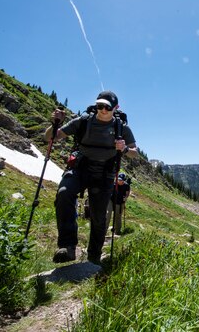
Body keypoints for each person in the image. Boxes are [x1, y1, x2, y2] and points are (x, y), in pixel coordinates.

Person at [45, 90, 138, 264]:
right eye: (99, 106)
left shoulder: (121, 128)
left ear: (115, 108)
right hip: (80, 168)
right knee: (64, 193)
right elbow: (50, 137)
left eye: (107, 107)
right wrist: (55, 124)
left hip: (105, 174)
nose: (102, 110)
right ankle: (67, 246)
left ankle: (94, 255)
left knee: (98, 215)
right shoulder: (83, 121)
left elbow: (134, 153)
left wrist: (124, 149)